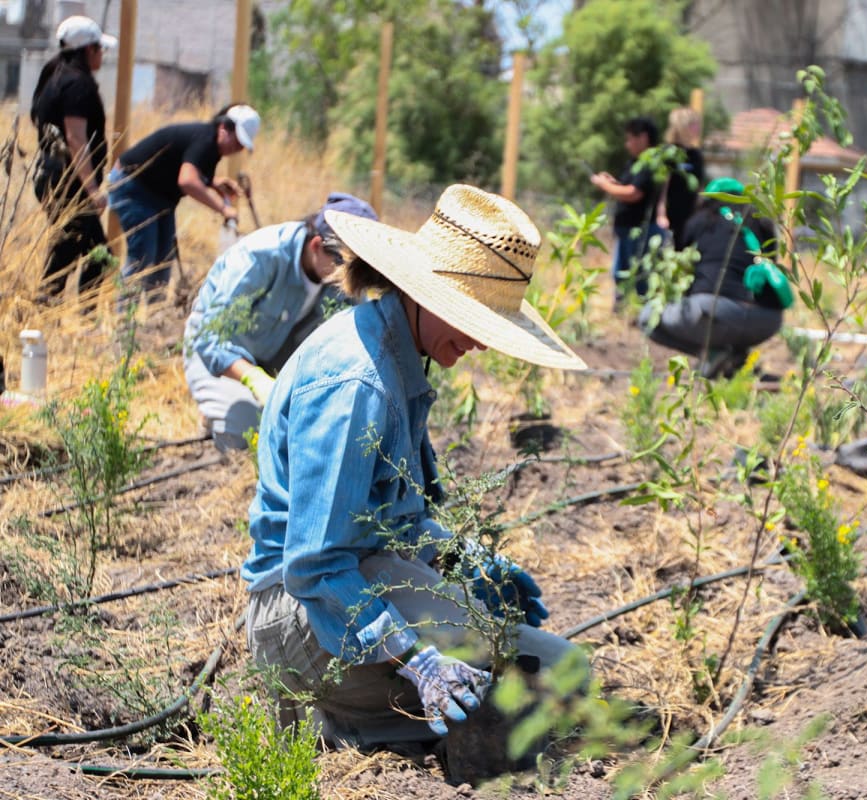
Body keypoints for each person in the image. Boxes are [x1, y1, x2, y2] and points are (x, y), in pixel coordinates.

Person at [242, 184, 589, 750]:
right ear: (424, 293)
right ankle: (343, 721)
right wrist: (413, 656)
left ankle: (387, 719)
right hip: (300, 616)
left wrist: (461, 558)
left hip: (353, 583)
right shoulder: (357, 382)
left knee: (565, 667)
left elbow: (389, 520)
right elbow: (314, 565)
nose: (481, 342)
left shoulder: (400, 357)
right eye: (474, 319)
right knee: (480, 655)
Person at [183, 193, 378, 451]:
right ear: (316, 245)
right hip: (218, 357)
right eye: (343, 264)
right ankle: (218, 413)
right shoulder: (260, 255)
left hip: (277, 356)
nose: (349, 278)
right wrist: (253, 378)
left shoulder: (341, 275)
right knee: (245, 434)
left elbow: (358, 343)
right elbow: (211, 339)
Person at [640, 178, 789, 378]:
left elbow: (682, 268)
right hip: (766, 319)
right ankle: (733, 361)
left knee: (648, 317)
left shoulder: (700, 220)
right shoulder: (762, 223)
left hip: (713, 313)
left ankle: (713, 353)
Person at [108, 104, 260, 298]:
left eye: (241, 146)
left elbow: (187, 167)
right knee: (143, 257)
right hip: (133, 186)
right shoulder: (205, 140)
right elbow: (187, 181)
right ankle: (124, 323)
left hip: (159, 196)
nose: (237, 149)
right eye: (237, 141)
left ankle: (155, 319)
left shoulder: (212, 146)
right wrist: (223, 208)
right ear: (224, 128)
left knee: (163, 261)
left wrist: (213, 183)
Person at [29, 15, 116, 301]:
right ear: (88, 49)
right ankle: (83, 319)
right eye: (100, 49)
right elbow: (75, 138)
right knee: (99, 255)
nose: (102, 55)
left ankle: (45, 310)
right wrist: (92, 190)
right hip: (69, 183)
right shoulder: (78, 84)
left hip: (51, 175)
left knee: (66, 249)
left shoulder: (53, 75)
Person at [589, 116, 665, 301]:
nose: (627, 144)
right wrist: (613, 182)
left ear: (644, 137)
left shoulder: (649, 162)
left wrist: (604, 185)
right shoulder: (635, 162)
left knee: (637, 277)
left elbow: (633, 193)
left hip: (638, 231)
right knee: (620, 274)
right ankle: (623, 311)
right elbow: (627, 186)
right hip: (627, 230)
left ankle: (636, 314)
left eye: (631, 138)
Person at [657, 107, 706, 245]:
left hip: (689, 215)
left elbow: (699, 187)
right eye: (694, 124)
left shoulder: (696, 155)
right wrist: (661, 215)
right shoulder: (668, 153)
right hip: (670, 217)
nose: (698, 128)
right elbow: (662, 188)